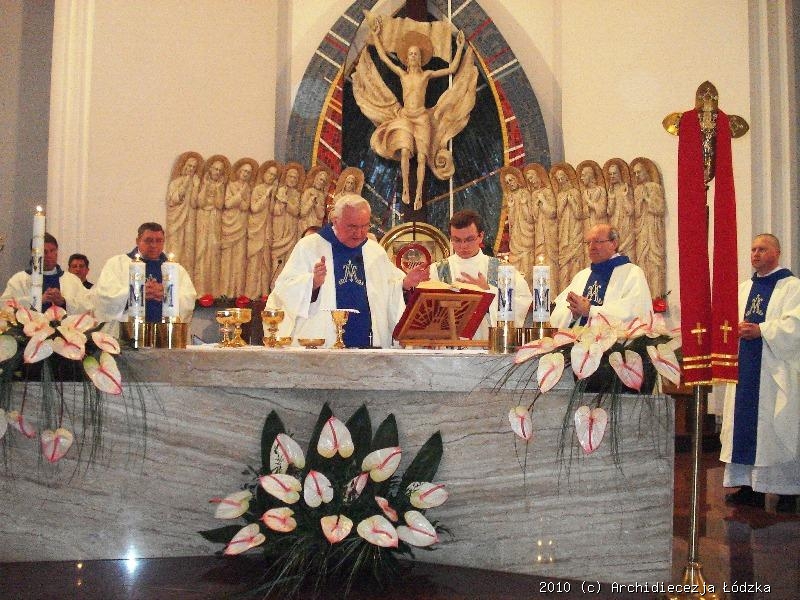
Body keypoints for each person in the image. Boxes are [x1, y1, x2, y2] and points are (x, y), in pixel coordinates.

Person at [270, 194, 425, 348]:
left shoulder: (375, 252)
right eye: (352, 227)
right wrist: (312, 283)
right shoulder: (309, 247)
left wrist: (404, 284)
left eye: (365, 226)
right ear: (335, 221)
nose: (359, 233)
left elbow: (389, 289)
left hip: (368, 347)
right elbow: (284, 290)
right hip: (322, 347)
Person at [720, 234, 800, 512]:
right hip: (745, 368)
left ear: (777, 252)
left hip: (774, 371)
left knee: (778, 426)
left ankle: (787, 490)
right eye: (753, 249)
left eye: (762, 249)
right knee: (742, 425)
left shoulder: (792, 287)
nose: (755, 254)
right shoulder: (744, 288)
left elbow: (795, 325)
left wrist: (762, 330)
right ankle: (749, 487)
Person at [366, 17, 468, 210]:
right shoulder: (402, 74)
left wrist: (460, 46)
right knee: (405, 152)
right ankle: (405, 188)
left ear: (421, 58)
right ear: (406, 58)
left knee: (421, 157)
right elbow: (384, 58)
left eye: (416, 54)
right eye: (411, 54)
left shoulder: (426, 75)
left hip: (421, 118)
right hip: (405, 116)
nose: (413, 56)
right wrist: (376, 35)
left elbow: (452, 69)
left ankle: (419, 194)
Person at [426, 209, 532, 340]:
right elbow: (427, 312)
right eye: (457, 240)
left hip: (489, 343)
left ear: (481, 236)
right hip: (450, 343)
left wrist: (489, 292)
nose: (463, 246)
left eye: (469, 239)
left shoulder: (502, 269)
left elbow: (523, 300)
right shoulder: (437, 270)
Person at [93, 223, 197, 328]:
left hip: (165, 332)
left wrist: (167, 294)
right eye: (148, 240)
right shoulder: (117, 264)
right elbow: (105, 296)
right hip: (127, 331)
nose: (154, 245)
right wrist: (137, 293)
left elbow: (188, 299)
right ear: (138, 241)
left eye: (159, 241)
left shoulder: (176, 269)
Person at [550, 224, 652, 329]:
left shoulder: (632, 273)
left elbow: (635, 311)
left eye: (597, 241)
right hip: (578, 338)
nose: (591, 247)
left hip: (616, 339)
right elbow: (557, 313)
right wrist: (573, 315)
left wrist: (590, 310)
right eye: (588, 243)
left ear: (614, 244)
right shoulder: (582, 276)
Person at [2, 233, 92, 313]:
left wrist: (63, 302)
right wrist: (37, 300)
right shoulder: (19, 280)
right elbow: (4, 306)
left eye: (52, 251)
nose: (49, 255)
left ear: (57, 252)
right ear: (34, 254)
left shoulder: (72, 280)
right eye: (44, 252)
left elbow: (88, 306)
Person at [219, 160, 255, 297]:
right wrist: (240, 196)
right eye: (244, 171)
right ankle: (224, 292)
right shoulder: (231, 185)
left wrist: (240, 200)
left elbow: (246, 206)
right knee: (227, 259)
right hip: (229, 224)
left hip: (241, 225)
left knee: (239, 260)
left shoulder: (248, 188)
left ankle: (237, 292)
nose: (246, 174)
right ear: (239, 171)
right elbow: (228, 204)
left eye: (249, 172)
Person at [193, 155, 228, 296]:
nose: (217, 172)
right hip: (203, 218)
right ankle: (199, 288)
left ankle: (213, 290)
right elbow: (200, 203)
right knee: (201, 250)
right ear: (210, 169)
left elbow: (219, 205)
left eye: (220, 170)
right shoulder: (202, 183)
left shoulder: (221, 186)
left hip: (215, 218)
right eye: (215, 169)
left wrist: (218, 189)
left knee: (213, 251)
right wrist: (206, 186)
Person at [245, 161, 280, 299]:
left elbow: (272, 211)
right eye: (269, 174)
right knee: (254, 263)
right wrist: (266, 194)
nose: (271, 177)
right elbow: (254, 208)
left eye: (274, 175)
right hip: (256, 230)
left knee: (265, 264)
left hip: (267, 231)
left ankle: (264, 293)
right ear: (264, 174)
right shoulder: (258, 189)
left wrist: (275, 197)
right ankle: (251, 293)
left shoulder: (273, 191)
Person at [632, 159, 666, 298]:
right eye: (634, 173)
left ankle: (656, 296)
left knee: (654, 261)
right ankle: (643, 297)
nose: (637, 175)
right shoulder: (637, 190)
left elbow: (660, 208)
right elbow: (636, 213)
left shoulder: (654, 187)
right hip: (642, 229)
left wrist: (647, 199)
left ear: (646, 172)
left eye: (639, 172)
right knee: (641, 261)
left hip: (653, 228)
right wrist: (639, 202)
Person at [165, 152, 201, 273]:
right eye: (189, 166)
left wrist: (196, 187)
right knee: (176, 249)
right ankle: (174, 277)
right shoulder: (176, 182)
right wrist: (184, 184)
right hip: (177, 219)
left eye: (194, 167)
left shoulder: (195, 183)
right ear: (184, 166)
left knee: (189, 250)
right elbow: (173, 199)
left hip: (190, 219)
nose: (191, 169)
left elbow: (195, 203)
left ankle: (187, 277)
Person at [269, 163, 304, 290]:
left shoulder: (297, 194)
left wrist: (286, 201)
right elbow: (275, 210)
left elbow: (296, 211)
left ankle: (286, 288)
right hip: (278, 227)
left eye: (295, 178)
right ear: (286, 177)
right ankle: (274, 287)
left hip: (291, 228)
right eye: (290, 176)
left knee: (289, 258)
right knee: (276, 257)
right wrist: (281, 202)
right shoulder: (279, 190)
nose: (292, 179)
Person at [502, 167, 535, 290]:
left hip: (526, 232)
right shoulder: (510, 196)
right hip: (516, 234)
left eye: (511, 180)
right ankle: (518, 290)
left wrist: (523, 204)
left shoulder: (525, 193)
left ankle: (528, 288)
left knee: (527, 262)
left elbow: (530, 217)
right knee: (515, 263)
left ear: (517, 179)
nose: (509, 183)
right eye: (507, 182)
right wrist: (511, 208)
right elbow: (511, 221)